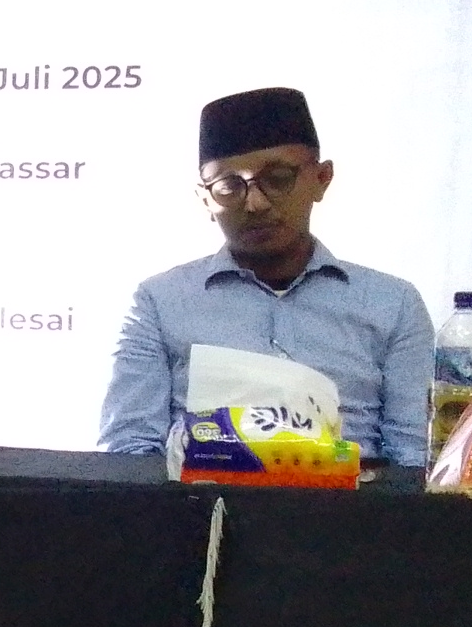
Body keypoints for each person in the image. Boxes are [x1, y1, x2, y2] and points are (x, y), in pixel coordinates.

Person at [97, 85, 432, 466]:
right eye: (228, 187)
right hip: (200, 501)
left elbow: (415, 458)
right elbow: (129, 453)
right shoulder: (161, 302)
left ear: (322, 178)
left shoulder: (392, 304)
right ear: (205, 198)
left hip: (351, 500)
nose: (255, 203)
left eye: (278, 178)